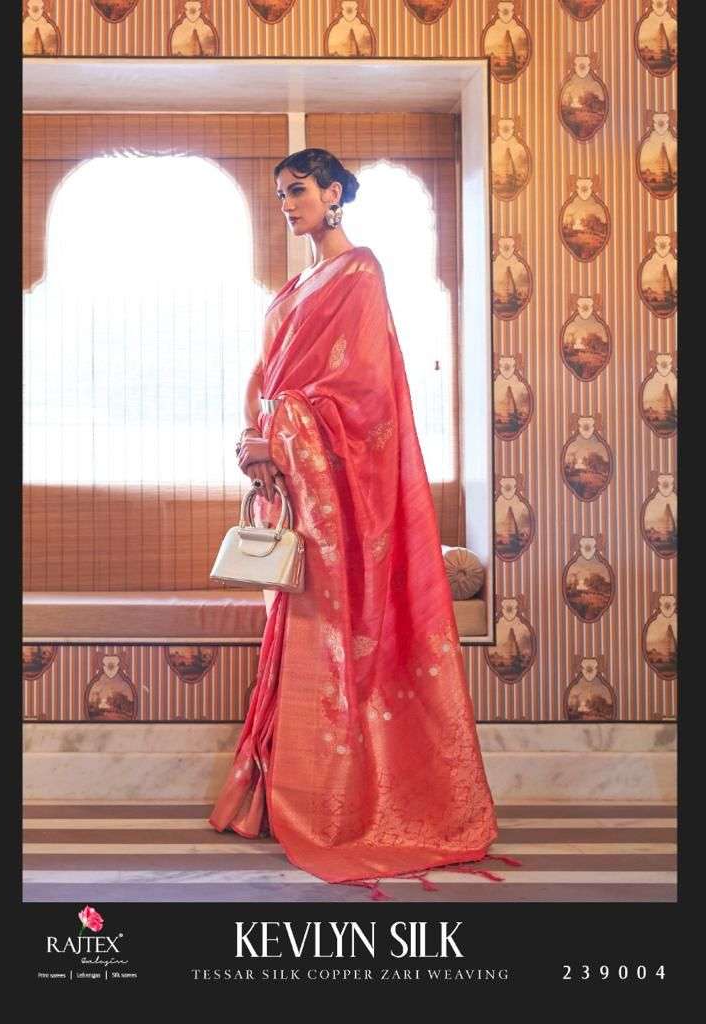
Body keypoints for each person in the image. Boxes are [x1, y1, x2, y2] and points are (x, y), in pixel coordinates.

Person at [208, 148, 512, 895]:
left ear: (335, 193)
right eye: (281, 193)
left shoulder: (359, 272)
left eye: (299, 190)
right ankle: (296, 794)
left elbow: (363, 397)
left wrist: (281, 433)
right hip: (295, 489)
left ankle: (347, 805)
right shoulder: (296, 285)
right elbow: (269, 377)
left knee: (338, 638)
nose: (289, 203)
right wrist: (256, 438)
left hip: (341, 497)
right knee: (299, 634)